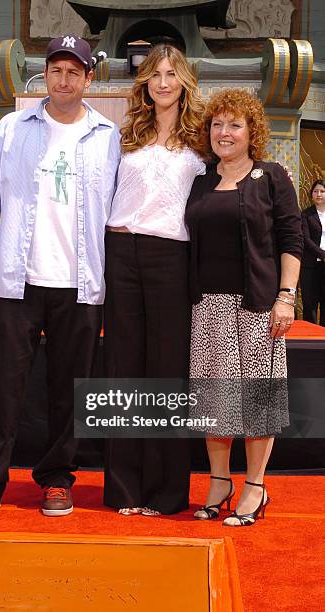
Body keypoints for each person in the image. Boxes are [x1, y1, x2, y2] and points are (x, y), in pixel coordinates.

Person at [0, 34, 120, 521]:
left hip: (80, 282)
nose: (64, 80)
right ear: (45, 73)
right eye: (56, 70)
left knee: (69, 389)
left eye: (74, 72)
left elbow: (114, 212)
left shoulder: (108, 137)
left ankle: (58, 478)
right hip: (13, 280)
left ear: (89, 78)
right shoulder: (12, 127)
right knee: (2, 388)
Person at [185, 88, 302, 526]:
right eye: (217, 124)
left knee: (256, 401)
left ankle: (254, 485)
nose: (224, 132)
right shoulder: (199, 180)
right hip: (207, 307)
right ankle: (219, 481)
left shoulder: (272, 177)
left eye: (234, 124)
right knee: (215, 401)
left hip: (257, 307)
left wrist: (285, 297)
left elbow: (292, 241)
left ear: (252, 131)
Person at [103, 44, 206, 516]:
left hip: (172, 257)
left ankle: (167, 494)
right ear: (143, 82)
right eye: (154, 74)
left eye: (171, 73)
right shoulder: (126, 135)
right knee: (124, 369)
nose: (163, 82)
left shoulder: (203, 140)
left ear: (184, 80)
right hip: (121, 252)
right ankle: (124, 490)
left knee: (167, 373)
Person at [300, 179, 325, 326]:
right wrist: (322, 255)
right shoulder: (306, 215)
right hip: (310, 266)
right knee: (310, 304)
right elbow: (306, 240)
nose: (319, 194)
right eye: (315, 191)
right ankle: (311, 339)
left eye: (322, 191)